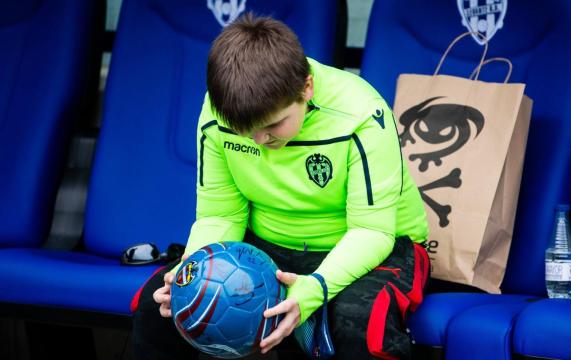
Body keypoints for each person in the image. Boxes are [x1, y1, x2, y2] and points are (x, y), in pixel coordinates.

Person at [132, 14, 430, 360]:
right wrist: (192, 271)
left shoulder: (362, 114)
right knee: (161, 307)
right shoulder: (218, 111)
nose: (260, 141)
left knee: (357, 324)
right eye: (246, 131)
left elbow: (372, 231)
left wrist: (315, 288)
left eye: (273, 125)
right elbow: (220, 214)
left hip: (376, 246)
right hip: (268, 244)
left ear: (307, 88)